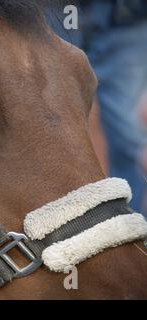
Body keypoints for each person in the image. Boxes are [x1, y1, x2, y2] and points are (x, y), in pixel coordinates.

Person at [48, 0, 147, 213]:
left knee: (126, 136)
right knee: (53, 122)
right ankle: (62, 220)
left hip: (127, 17)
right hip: (58, 10)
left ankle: (131, 223)